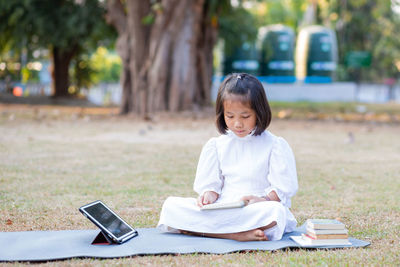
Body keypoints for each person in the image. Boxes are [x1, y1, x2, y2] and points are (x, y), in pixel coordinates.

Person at [157, 73, 298, 241]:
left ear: (259, 112)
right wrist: (208, 196)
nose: (237, 123)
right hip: (223, 209)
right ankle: (236, 234)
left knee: (276, 212)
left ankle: (202, 231)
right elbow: (211, 188)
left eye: (245, 116)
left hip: (256, 209)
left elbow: (282, 190)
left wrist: (262, 200)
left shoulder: (275, 145)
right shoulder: (216, 146)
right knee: (171, 206)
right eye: (230, 116)